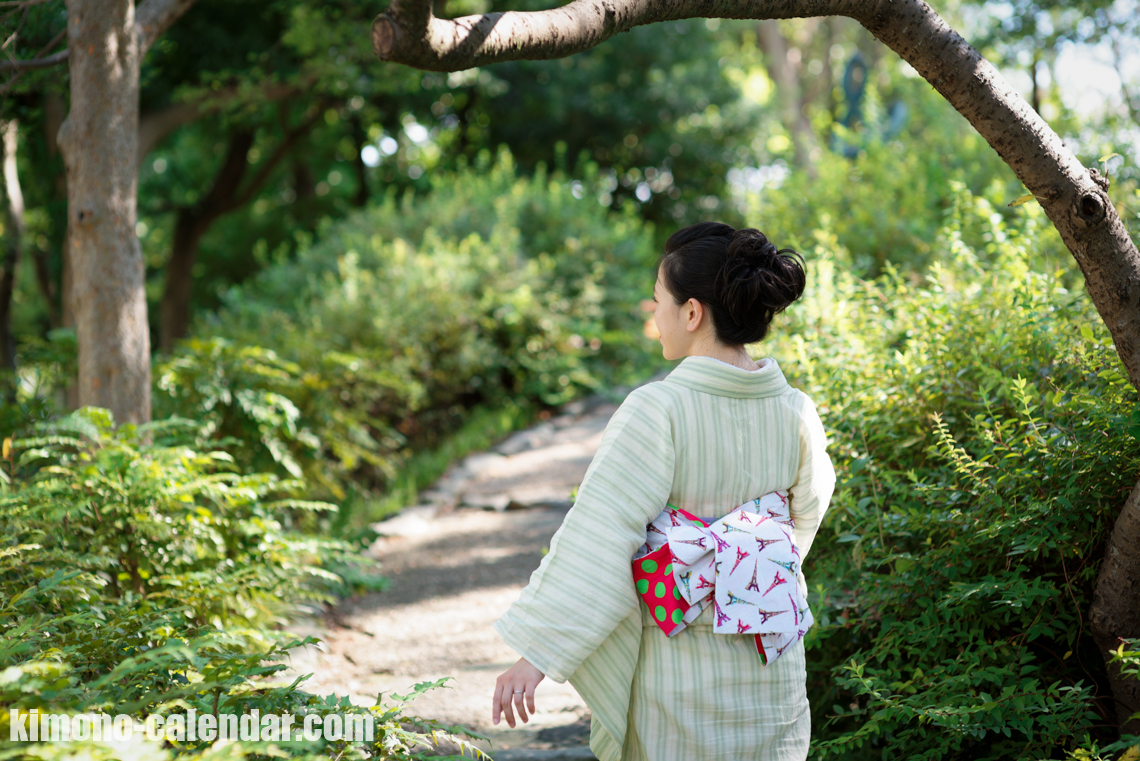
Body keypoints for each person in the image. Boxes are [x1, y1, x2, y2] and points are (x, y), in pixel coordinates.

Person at [490, 222, 836, 761]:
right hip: (771, 666)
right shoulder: (796, 411)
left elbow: (600, 535)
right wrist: (740, 580)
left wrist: (536, 655)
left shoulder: (658, 410)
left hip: (680, 670)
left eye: (658, 303)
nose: (655, 318)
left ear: (692, 313)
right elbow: (803, 523)